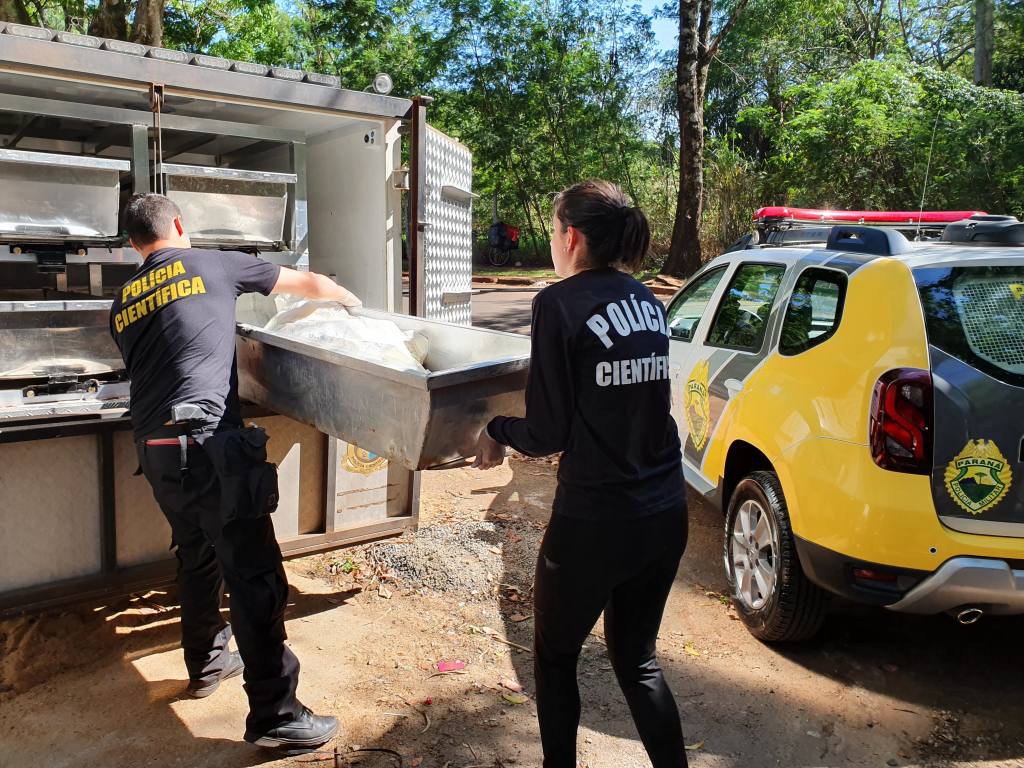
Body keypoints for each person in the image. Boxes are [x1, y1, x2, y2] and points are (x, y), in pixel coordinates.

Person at [110, 193, 360, 755]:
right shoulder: (211, 263)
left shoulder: (124, 300)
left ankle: (205, 662)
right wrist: (350, 301)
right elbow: (308, 284)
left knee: (195, 556)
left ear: (133, 245)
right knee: (253, 575)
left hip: (155, 450)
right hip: (208, 445)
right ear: (179, 225)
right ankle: (276, 714)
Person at [472, 180, 689, 768]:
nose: (550, 240)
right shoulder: (647, 301)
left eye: (551, 229)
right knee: (638, 660)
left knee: (554, 657)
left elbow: (548, 433)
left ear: (571, 235)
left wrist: (495, 431)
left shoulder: (557, 304)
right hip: (665, 511)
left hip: (595, 521)